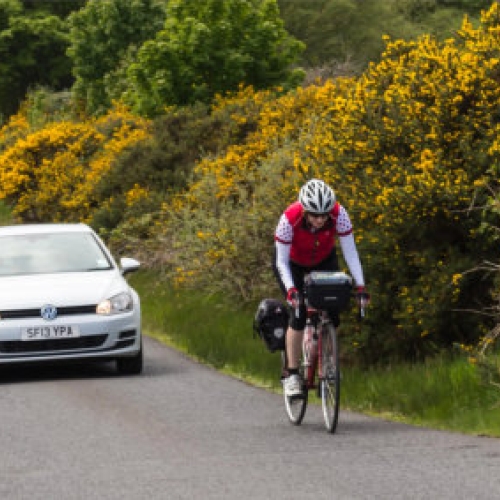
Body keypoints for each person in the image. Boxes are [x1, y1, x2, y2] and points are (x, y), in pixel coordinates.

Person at [272, 178, 369, 397]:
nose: (320, 219)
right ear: (305, 211)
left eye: (324, 215)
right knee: (298, 314)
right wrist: (291, 290)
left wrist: (361, 286)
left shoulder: (339, 215)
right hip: (292, 264)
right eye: (315, 215)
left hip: (324, 260)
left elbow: (351, 253)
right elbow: (281, 262)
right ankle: (293, 375)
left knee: (333, 313)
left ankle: (328, 365)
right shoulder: (289, 219)